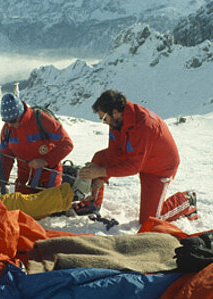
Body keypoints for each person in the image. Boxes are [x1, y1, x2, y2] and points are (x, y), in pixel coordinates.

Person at [76, 89, 197, 224]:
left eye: (104, 118)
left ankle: (187, 201)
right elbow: (113, 152)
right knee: (100, 158)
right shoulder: (117, 122)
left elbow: (133, 167)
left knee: (149, 221)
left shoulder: (144, 126)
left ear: (115, 112)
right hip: (139, 158)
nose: (103, 122)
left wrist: (101, 172)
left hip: (159, 168)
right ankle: (92, 203)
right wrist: (101, 178)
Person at [0, 93, 74, 194]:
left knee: (48, 208)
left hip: (48, 178)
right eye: (6, 121)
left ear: (20, 114)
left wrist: (45, 160)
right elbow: (6, 157)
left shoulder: (42, 121)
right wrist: (1, 179)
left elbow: (66, 144)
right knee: (21, 208)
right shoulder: (7, 130)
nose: (9, 124)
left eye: (12, 121)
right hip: (24, 179)